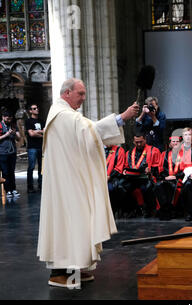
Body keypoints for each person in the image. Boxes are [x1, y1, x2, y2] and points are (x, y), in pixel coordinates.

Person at [37, 78, 140, 289]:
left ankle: (73, 268)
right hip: (66, 183)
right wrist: (121, 118)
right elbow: (89, 131)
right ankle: (61, 272)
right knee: (71, 222)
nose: (83, 99)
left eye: (84, 94)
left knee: (76, 221)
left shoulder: (65, 114)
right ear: (67, 93)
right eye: (80, 94)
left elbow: (84, 136)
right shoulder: (62, 115)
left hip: (71, 179)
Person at [123, 133, 161, 218]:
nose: (139, 144)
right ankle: (131, 210)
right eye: (137, 142)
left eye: (141, 142)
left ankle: (148, 210)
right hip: (132, 178)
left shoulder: (153, 150)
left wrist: (151, 170)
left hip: (147, 178)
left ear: (145, 140)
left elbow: (158, 168)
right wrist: (124, 171)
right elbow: (126, 166)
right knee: (122, 187)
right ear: (133, 142)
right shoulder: (129, 153)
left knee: (148, 187)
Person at [0, 108, 21, 199]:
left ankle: (13, 189)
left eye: (10, 119)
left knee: (12, 171)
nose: (9, 120)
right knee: (5, 172)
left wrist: (15, 134)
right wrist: (7, 134)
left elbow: (19, 138)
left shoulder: (13, 125)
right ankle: (7, 190)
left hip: (12, 152)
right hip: (2, 152)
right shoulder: (0, 125)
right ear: (3, 117)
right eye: (7, 119)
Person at [25, 104, 45, 193]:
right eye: (34, 108)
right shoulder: (28, 121)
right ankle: (30, 187)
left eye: (37, 108)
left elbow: (45, 132)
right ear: (30, 111)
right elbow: (31, 134)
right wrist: (40, 134)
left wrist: (36, 131)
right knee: (31, 167)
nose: (37, 109)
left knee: (41, 167)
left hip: (41, 146)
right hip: (32, 147)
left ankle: (41, 185)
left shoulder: (42, 121)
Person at [105, 143, 126, 216]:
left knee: (111, 189)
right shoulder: (99, 149)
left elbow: (119, 168)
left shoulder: (119, 150)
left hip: (113, 178)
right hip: (99, 177)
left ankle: (112, 212)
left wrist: (109, 176)